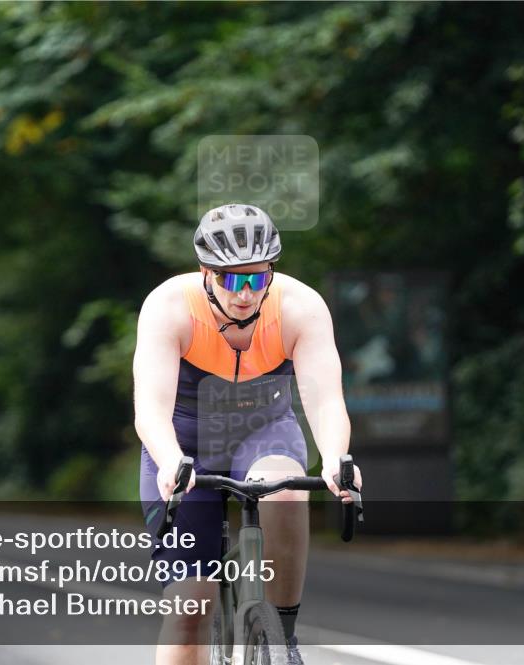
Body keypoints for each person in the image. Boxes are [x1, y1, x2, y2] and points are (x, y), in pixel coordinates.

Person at [133, 203, 363, 665]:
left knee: (284, 492)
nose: (244, 293)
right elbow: (150, 409)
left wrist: (339, 458)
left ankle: (283, 637)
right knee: (188, 614)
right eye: (230, 279)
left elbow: (325, 400)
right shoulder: (169, 307)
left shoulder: (300, 308)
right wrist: (170, 458)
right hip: (185, 442)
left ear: (272, 273)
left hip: (265, 431)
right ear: (205, 273)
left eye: (256, 279)